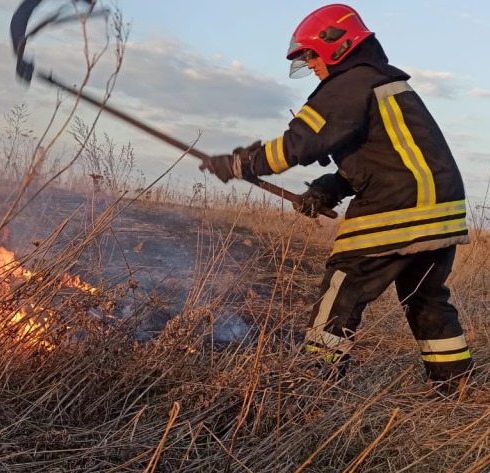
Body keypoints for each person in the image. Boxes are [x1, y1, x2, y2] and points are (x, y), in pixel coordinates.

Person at [200, 4, 474, 396]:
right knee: (425, 299)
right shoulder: (380, 82)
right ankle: (455, 388)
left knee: (343, 285)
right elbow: (380, 159)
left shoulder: (349, 84)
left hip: (399, 206)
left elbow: (299, 143)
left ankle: (315, 382)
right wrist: (327, 189)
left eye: (311, 54)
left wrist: (242, 163)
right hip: (441, 213)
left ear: (337, 45)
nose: (309, 64)